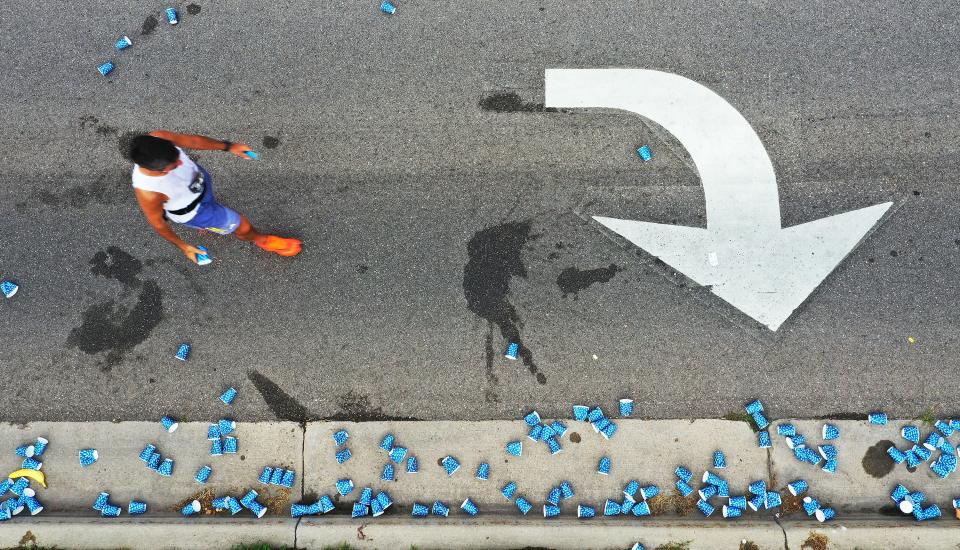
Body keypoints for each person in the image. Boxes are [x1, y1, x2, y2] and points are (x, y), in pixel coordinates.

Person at [128, 131, 302, 263]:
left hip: (200, 185)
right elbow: (158, 224)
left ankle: (209, 226)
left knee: (213, 202)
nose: (181, 162)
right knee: (241, 224)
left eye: (177, 154)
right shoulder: (149, 193)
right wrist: (184, 247)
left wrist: (229, 146)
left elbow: (194, 141)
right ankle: (262, 240)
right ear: (160, 170)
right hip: (196, 211)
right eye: (174, 165)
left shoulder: (159, 138)